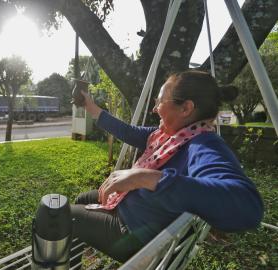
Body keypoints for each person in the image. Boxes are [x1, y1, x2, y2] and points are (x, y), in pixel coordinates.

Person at [70, 70, 264, 263]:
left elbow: (248, 207)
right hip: (131, 211)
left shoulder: (203, 145)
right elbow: (129, 132)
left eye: (160, 101)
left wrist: (144, 177)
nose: (154, 108)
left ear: (186, 108)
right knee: (82, 199)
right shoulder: (171, 135)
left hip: (132, 234)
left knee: (53, 213)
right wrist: (91, 107)